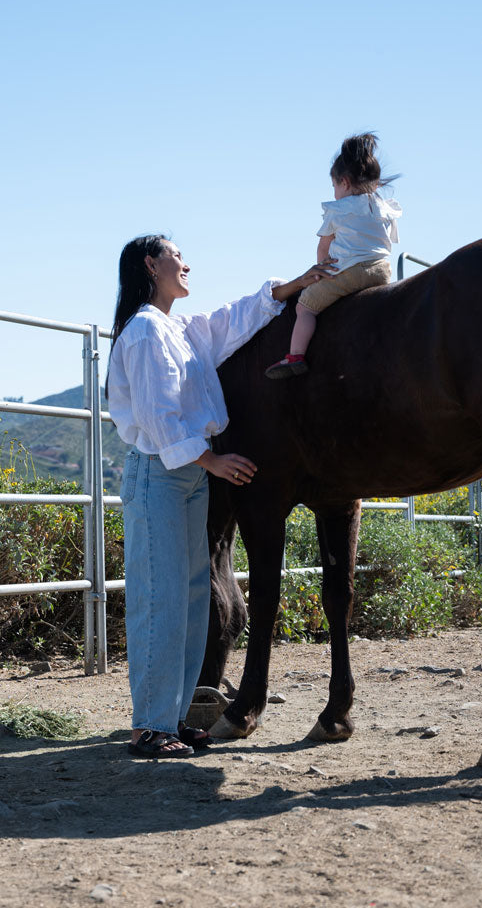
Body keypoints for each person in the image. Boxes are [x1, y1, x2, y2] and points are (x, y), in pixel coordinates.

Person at [107, 235, 333, 758]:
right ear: (150, 263)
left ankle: (174, 717)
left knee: (189, 600)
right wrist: (214, 461)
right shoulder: (143, 332)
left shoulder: (178, 329)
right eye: (176, 255)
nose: (186, 264)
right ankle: (149, 727)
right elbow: (161, 418)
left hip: (185, 474)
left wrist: (294, 286)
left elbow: (232, 318)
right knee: (160, 598)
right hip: (162, 472)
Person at [265, 133, 401, 379]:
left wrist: (321, 270)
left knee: (305, 306)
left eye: (334, 186)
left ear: (344, 182)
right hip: (382, 270)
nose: (335, 192)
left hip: (351, 272)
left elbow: (323, 249)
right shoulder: (383, 206)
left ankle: (295, 356)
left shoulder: (337, 209)